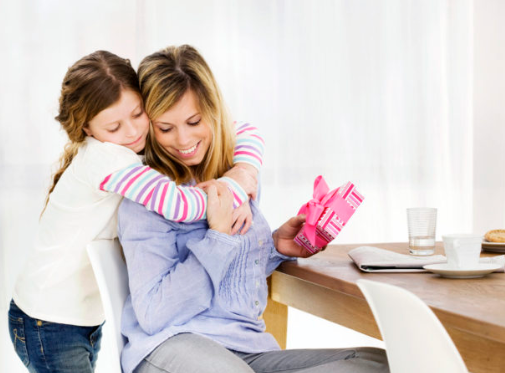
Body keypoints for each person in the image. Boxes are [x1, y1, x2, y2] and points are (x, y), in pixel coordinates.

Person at [117, 45, 390, 373]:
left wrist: (274, 247)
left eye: (193, 121)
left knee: (380, 363)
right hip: (172, 343)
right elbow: (154, 313)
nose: (183, 139)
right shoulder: (150, 197)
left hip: (244, 347)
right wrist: (216, 237)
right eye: (166, 128)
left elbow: (229, 282)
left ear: (214, 112)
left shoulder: (236, 177)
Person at [7, 50, 266, 373]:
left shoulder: (127, 150)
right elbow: (179, 205)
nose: (131, 132)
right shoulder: (109, 160)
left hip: (80, 316)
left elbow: (246, 131)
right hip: (48, 319)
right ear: (87, 129)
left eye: (138, 113)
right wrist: (232, 190)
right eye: (114, 126)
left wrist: (244, 168)